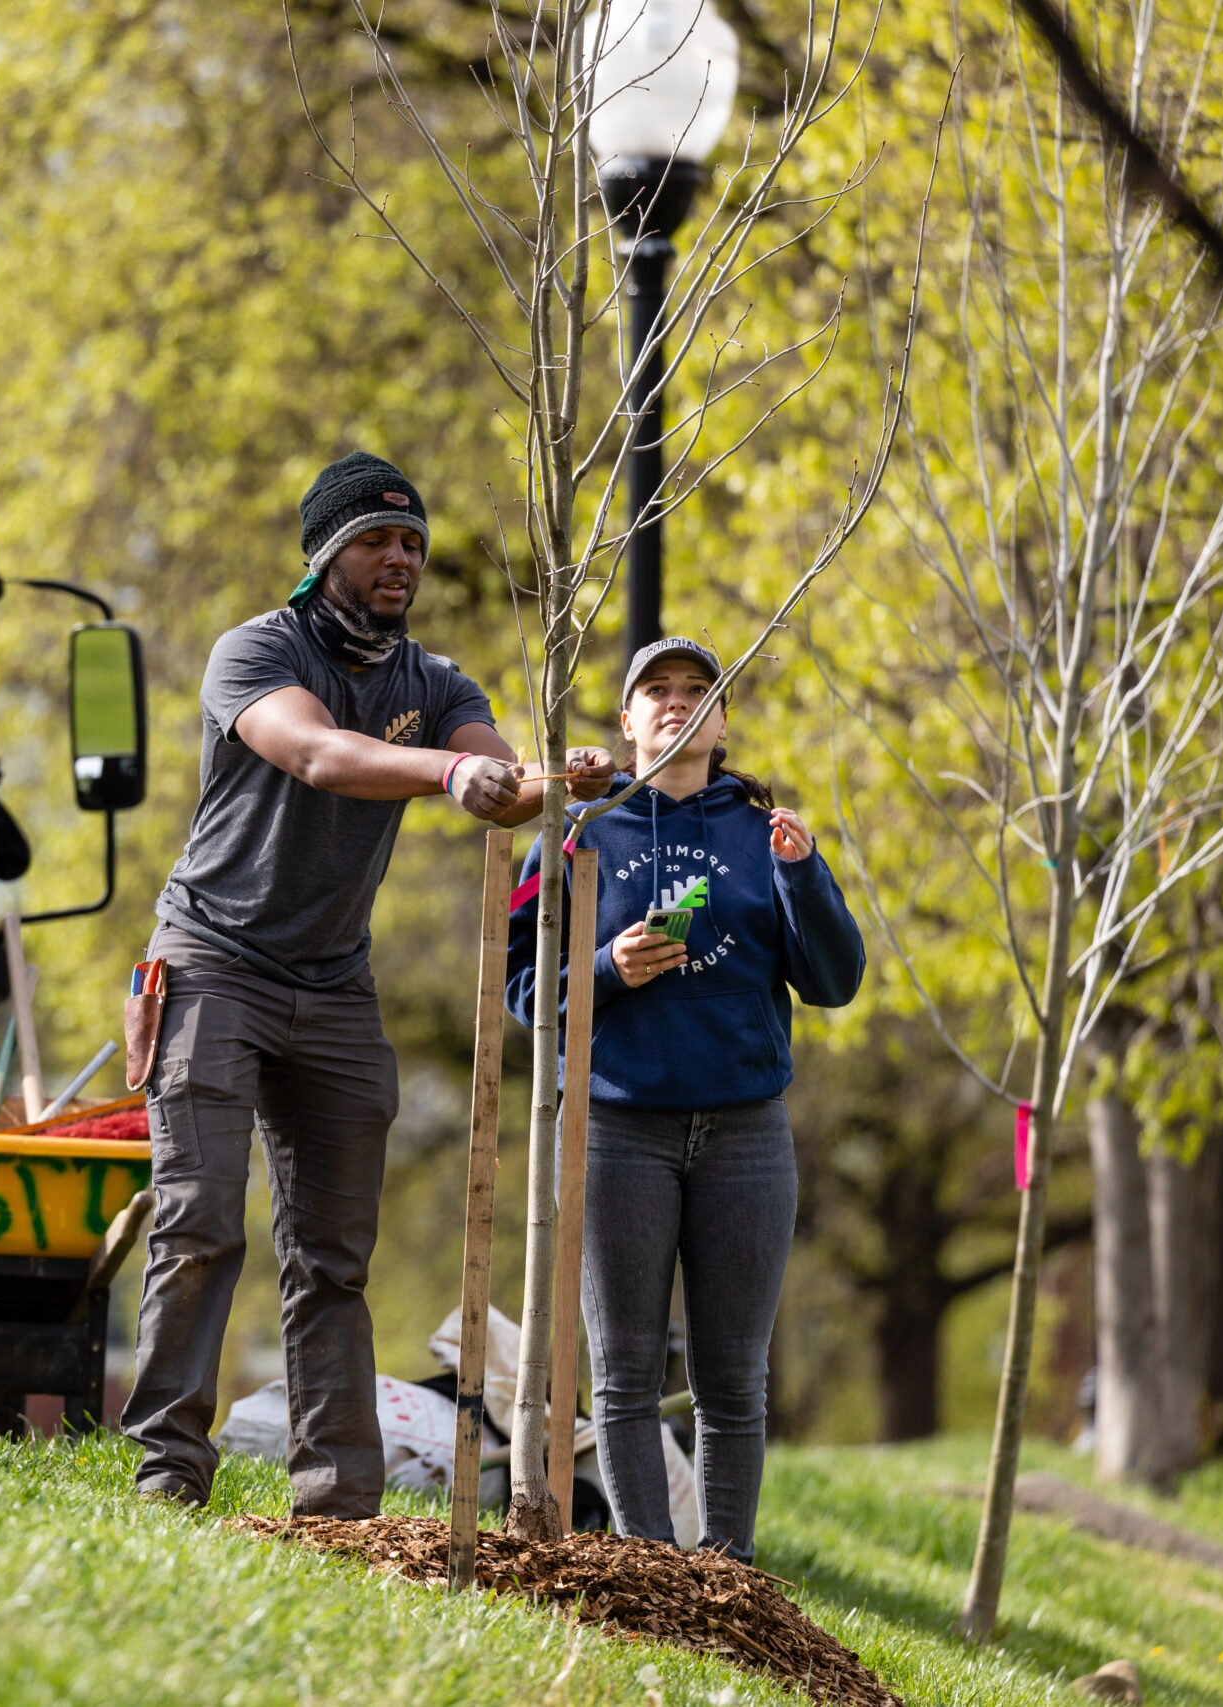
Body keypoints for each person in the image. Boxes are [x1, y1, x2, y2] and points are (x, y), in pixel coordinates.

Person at [122, 450, 612, 1515]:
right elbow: (315, 753)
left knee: (333, 1256)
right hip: (213, 963)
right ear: (325, 553)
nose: (401, 559)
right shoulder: (256, 650)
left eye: (413, 543)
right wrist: (446, 772)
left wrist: (558, 778)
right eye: (377, 540)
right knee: (199, 1223)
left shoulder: (433, 683)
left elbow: (500, 780)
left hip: (334, 988)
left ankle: (338, 1498)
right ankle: (168, 1468)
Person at [505, 636, 864, 1563]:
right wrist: (606, 970)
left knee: (734, 1377)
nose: (677, 703)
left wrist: (801, 873)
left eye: (698, 691)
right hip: (616, 1126)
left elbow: (834, 981)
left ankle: (726, 1574)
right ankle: (651, 1569)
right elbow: (522, 994)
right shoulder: (578, 833)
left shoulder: (764, 833)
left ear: (723, 719)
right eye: (656, 692)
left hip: (745, 1132)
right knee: (625, 1371)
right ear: (626, 722)